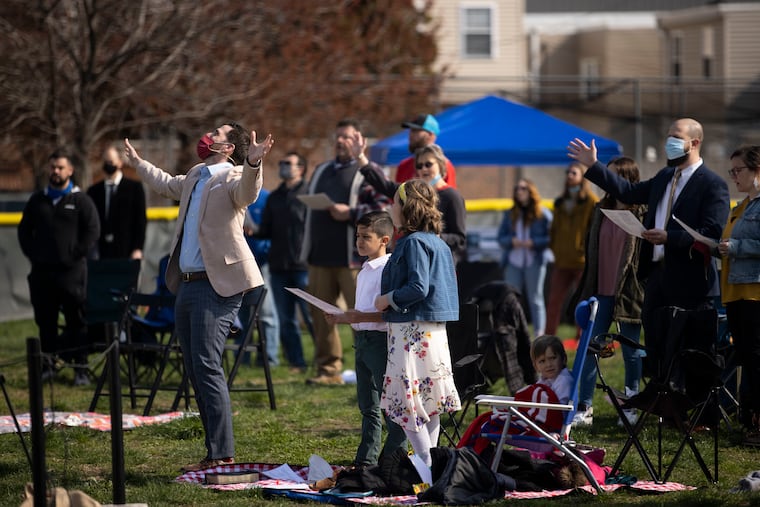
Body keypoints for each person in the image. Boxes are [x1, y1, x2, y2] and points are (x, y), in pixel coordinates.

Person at [124, 122, 274, 472]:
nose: (209, 135)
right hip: (187, 282)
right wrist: (137, 162)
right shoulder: (197, 173)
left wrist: (253, 163)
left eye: (217, 133)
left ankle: (222, 453)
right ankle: (213, 452)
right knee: (194, 367)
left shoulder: (234, 175)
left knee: (206, 365)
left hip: (217, 283)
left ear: (228, 148)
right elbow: (166, 184)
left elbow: (248, 193)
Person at [568, 118, 729, 358]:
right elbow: (629, 192)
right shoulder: (665, 176)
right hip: (656, 277)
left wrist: (669, 238)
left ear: (694, 143)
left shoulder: (713, 185)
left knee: (689, 351)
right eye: (668, 136)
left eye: (676, 137)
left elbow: (712, 234)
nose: (669, 142)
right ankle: (657, 394)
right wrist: (593, 165)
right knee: (656, 348)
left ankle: (688, 396)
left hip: (691, 281)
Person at [375, 179, 461, 467]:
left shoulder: (412, 243)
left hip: (411, 332)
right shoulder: (437, 242)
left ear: (407, 208)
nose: (390, 206)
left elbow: (419, 288)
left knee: (407, 403)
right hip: (433, 333)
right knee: (429, 403)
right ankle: (432, 465)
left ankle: (426, 465)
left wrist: (387, 299)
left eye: (395, 203)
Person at [301, 119, 391, 385]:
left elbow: (382, 210)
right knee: (322, 315)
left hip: (354, 261)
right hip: (320, 256)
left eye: (348, 137)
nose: (341, 141)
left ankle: (369, 369)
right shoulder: (321, 170)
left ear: (359, 140)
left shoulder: (367, 172)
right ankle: (329, 371)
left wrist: (349, 213)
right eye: (338, 137)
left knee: (361, 316)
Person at [324, 211, 407, 466]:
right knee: (367, 405)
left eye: (366, 237)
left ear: (384, 240)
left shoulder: (388, 269)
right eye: (358, 236)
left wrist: (353, 317)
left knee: (389, 404)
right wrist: (344, 318)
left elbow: (389, 314)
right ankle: (366, 459)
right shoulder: (364, 270)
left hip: (380, 343)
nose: (359, 241)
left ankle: (394, 458)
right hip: (361, 341)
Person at [571, 157, 647, 427]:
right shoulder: (599, 209)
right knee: (590, 348)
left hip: (629, 292)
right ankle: (585, 407)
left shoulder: (643, 213)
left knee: (631, 351)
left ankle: (631, 405)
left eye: (612, 175)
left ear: (627, 179)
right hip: (600, 290)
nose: (605, 179)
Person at [18, 149, 100, 386]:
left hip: (72, 274)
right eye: (52, 167)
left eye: (60, 167)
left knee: (76, 321)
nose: (55, 172)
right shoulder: (37, 200)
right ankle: (48, 366)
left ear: (70, 171)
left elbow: (92, 230)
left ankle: (80, 369)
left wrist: (74, 255)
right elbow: (24, 231)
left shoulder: (80, 200)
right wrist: (35, 255)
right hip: (42, 274)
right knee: (46, 322)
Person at [715, 145, 760, 445]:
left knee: (757, 360)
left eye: (738, 170)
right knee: (747, 359)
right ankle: (749, 421)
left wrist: (734, 248)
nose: (734, 176)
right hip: (735, 293)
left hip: (755, 293)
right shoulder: (740, 206)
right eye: (731, 171)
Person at [359, 144, 467, 266]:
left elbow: (460, 239)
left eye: (428, 164)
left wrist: (436, 237)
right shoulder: (414, 193)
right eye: (419, 166)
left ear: (441, 165)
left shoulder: (452, 196)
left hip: (439, 264)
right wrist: (360, 157)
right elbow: (384, 185)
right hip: (415, 260)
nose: (423, 169)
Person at [256, 151, 314, 373]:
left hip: (304, 266)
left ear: (300, 168)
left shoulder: (310, 193)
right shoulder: (275, 197)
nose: (283, 166)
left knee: (311, 317)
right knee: (286, 319)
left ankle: (325, 363)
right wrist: (253, 230)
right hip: (279, 267)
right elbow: (267, 231)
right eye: (282, 163)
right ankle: (296, 363)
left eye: (288, 163)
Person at [545, 162, 598, 336]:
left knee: (582, 302)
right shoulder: (560, 202)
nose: (569, 175)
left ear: (582, 177)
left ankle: (581, 337)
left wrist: (585, 250)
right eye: (567, 172)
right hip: (562, 261)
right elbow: (553, 230)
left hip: (582, 261)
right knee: (554, 301)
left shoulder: (591, 202)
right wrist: (555, 249)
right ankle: (549, 336)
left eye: (573, 172)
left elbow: (594, 230)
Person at [498, 178, 552, 337]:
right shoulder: (510, 213)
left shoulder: (543, 214)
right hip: (513, 260)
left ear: (531, 191)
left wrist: (534, 242)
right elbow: (501, 238)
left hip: (534, 260)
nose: (519, 191)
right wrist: (511, 241)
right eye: (517, 188)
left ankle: (539, 334)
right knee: (511, 298)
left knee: (535, 298)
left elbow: (552, 238)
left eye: (523, 188)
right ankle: (511, 331)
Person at [241, 187, 280, 367]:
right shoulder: (228, 191)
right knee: (240, 314)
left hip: (260, 262)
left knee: (266, 313)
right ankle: (243, 358)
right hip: (236, 262)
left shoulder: (265, 197)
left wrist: (266, 253)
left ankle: (269, 359)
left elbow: (271, 230)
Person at [87, 145, 147, 260]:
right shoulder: (93, 191)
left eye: (111, 161)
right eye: (105, 162)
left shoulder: (134, 188)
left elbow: (140, 221)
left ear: (119, 162)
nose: (108, 165)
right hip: (101, 254)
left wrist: (138, 249)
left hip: (126, 252)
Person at [394, 114, 457, 187]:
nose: (410, 135)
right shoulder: (404, 165)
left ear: (431, 134)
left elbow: (448, 196)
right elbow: (397, 196)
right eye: (410, 131)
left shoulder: (444, 165)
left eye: (416, 130)